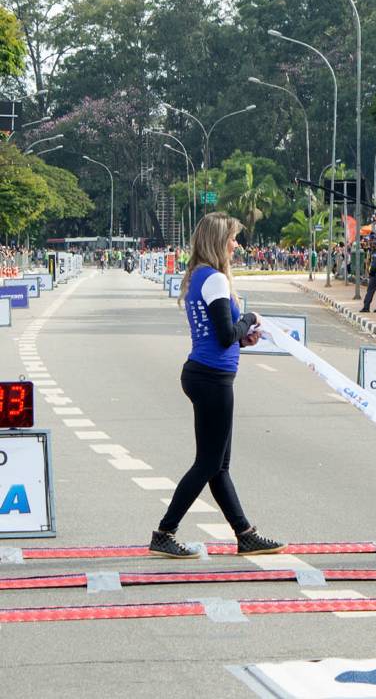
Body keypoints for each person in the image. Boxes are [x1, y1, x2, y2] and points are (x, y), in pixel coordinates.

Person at [150, 212, 282, 559]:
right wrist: (249, 319)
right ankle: (165, 532)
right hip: (211, 378)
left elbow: (222, 335)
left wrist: (244, 338)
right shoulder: (216, 280)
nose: (236, 245)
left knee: (217, 464)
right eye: (232, 239)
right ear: (218, 241)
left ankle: (245, 534)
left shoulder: (199, 276)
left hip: (205, 373)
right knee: (208, 463)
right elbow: (226, 333)